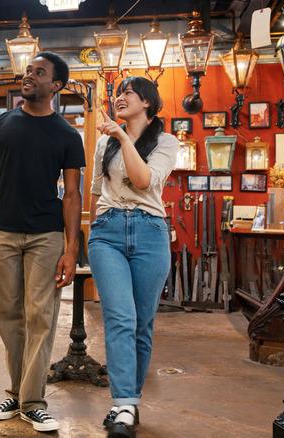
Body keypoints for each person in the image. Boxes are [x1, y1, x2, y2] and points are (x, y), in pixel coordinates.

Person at [0, 51, 85, 433]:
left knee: (41, 315)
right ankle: (18, 392)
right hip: (1, 229)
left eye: (40, 72)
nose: (29, 75)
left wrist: (71, 248)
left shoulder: (68, 135)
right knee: (7, 315)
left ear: (56, 85)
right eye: (28, 70)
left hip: (46, 235)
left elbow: (72, 195)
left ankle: (33, 401)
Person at [88, 76, 179, 438]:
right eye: (118, 93)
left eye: (128, 92)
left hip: (150, 234)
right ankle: (122, 404)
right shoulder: (102, 144)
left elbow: (143, 181)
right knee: (120, 318)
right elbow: (96, 191)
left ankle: (131, 403)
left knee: (142, 324)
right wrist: (93, 233)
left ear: (147, 102)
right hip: (108, 233)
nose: (119, 97)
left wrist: (123, 137)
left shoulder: (167, 142)